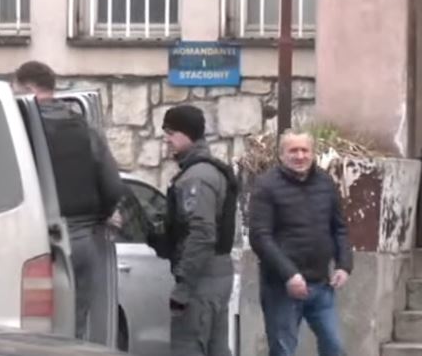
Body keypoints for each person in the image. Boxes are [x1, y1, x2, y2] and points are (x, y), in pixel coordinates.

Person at [11, 61, 124, 345]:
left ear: (29, 89)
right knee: (74, 329)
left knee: (30, 332)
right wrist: (103, 215)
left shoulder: (18, 129)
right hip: (81, 240)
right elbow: (113, 186)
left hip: (33, 241)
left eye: (16, 91)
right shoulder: (84, 129)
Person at [248, 130, 351, 356]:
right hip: (282, 288)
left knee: (335, 346)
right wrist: (289, 274)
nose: (300, 156)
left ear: (313, 153)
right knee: (283, 350)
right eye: (293, 151)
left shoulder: (326, 183)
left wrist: (344, 265)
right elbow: (260, 237)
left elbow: (339, 228)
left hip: (321, 285)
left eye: (305, 150)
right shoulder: (266, 186)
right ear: (281, 155)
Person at [149, 105, 238, 356]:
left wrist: (183, 287)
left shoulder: (196, 177)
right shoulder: (208, 170)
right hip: (215, 274)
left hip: (202, 279)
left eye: (171, 133)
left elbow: (201, 233)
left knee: (188, 346)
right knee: (216, 348)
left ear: (187, 134)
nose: (166, 139)